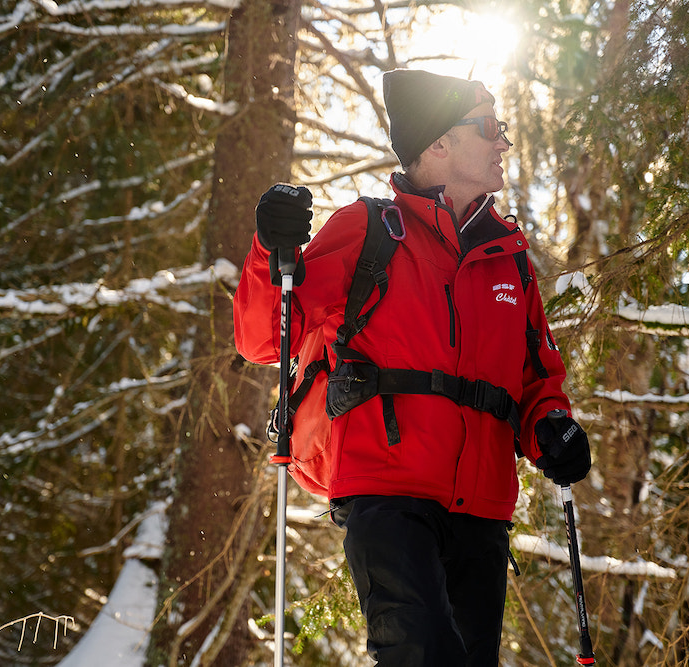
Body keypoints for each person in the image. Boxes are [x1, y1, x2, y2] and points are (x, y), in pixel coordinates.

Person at [233, 69, 591, 666]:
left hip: (482, 512)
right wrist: (274, 249)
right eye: (489, 127)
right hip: (386, 494)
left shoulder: (510, 260)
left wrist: (553, 425)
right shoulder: (370, 230)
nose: (504, 142)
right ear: (438, 145)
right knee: (423, 654)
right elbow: (264, 336)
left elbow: (537, 380)